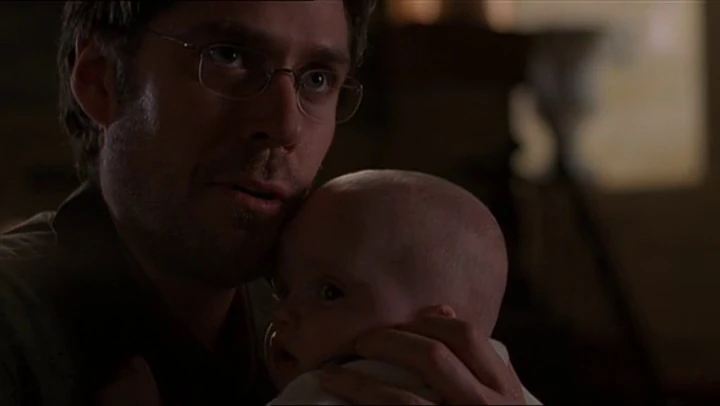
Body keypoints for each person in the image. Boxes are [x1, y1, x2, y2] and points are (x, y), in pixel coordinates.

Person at [0, 1, 527, 405]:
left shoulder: (337, 323)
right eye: (228, 56)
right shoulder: (19, 329)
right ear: (100, 79)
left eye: (317, 79)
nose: (285, 125)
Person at [265, 170, 540, 405]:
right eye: (282, 290)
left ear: (436, 328)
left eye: (329, 292)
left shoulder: (322, 390)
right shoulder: (511, 392)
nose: (281, 313)